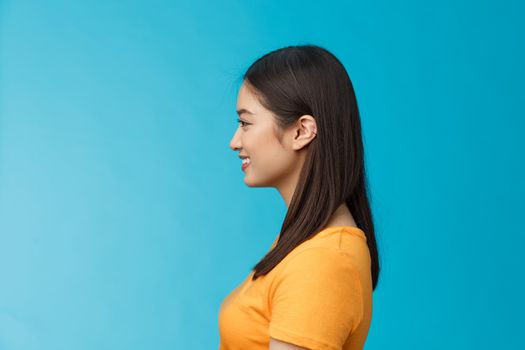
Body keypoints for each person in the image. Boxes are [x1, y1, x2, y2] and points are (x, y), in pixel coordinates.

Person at [219, 44, 380, 350]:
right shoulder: (305, 242)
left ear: (302, 131)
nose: (234, 141)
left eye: (246, 123)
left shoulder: (325, 260)